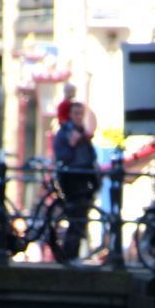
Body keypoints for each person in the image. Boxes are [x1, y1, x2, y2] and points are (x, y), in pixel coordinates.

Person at [52, 101, 101, 263]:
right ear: (71, 115)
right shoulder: (64, 134)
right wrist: (72, 145)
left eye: (81, 113)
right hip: (73, 180)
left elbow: (91, 156)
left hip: (85, 179)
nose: (79, 117)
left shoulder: (84, 134)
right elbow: (62, 157)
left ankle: (71, 255)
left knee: (81, 218)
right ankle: (69, 256)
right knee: (76, 218)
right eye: (76, 113)